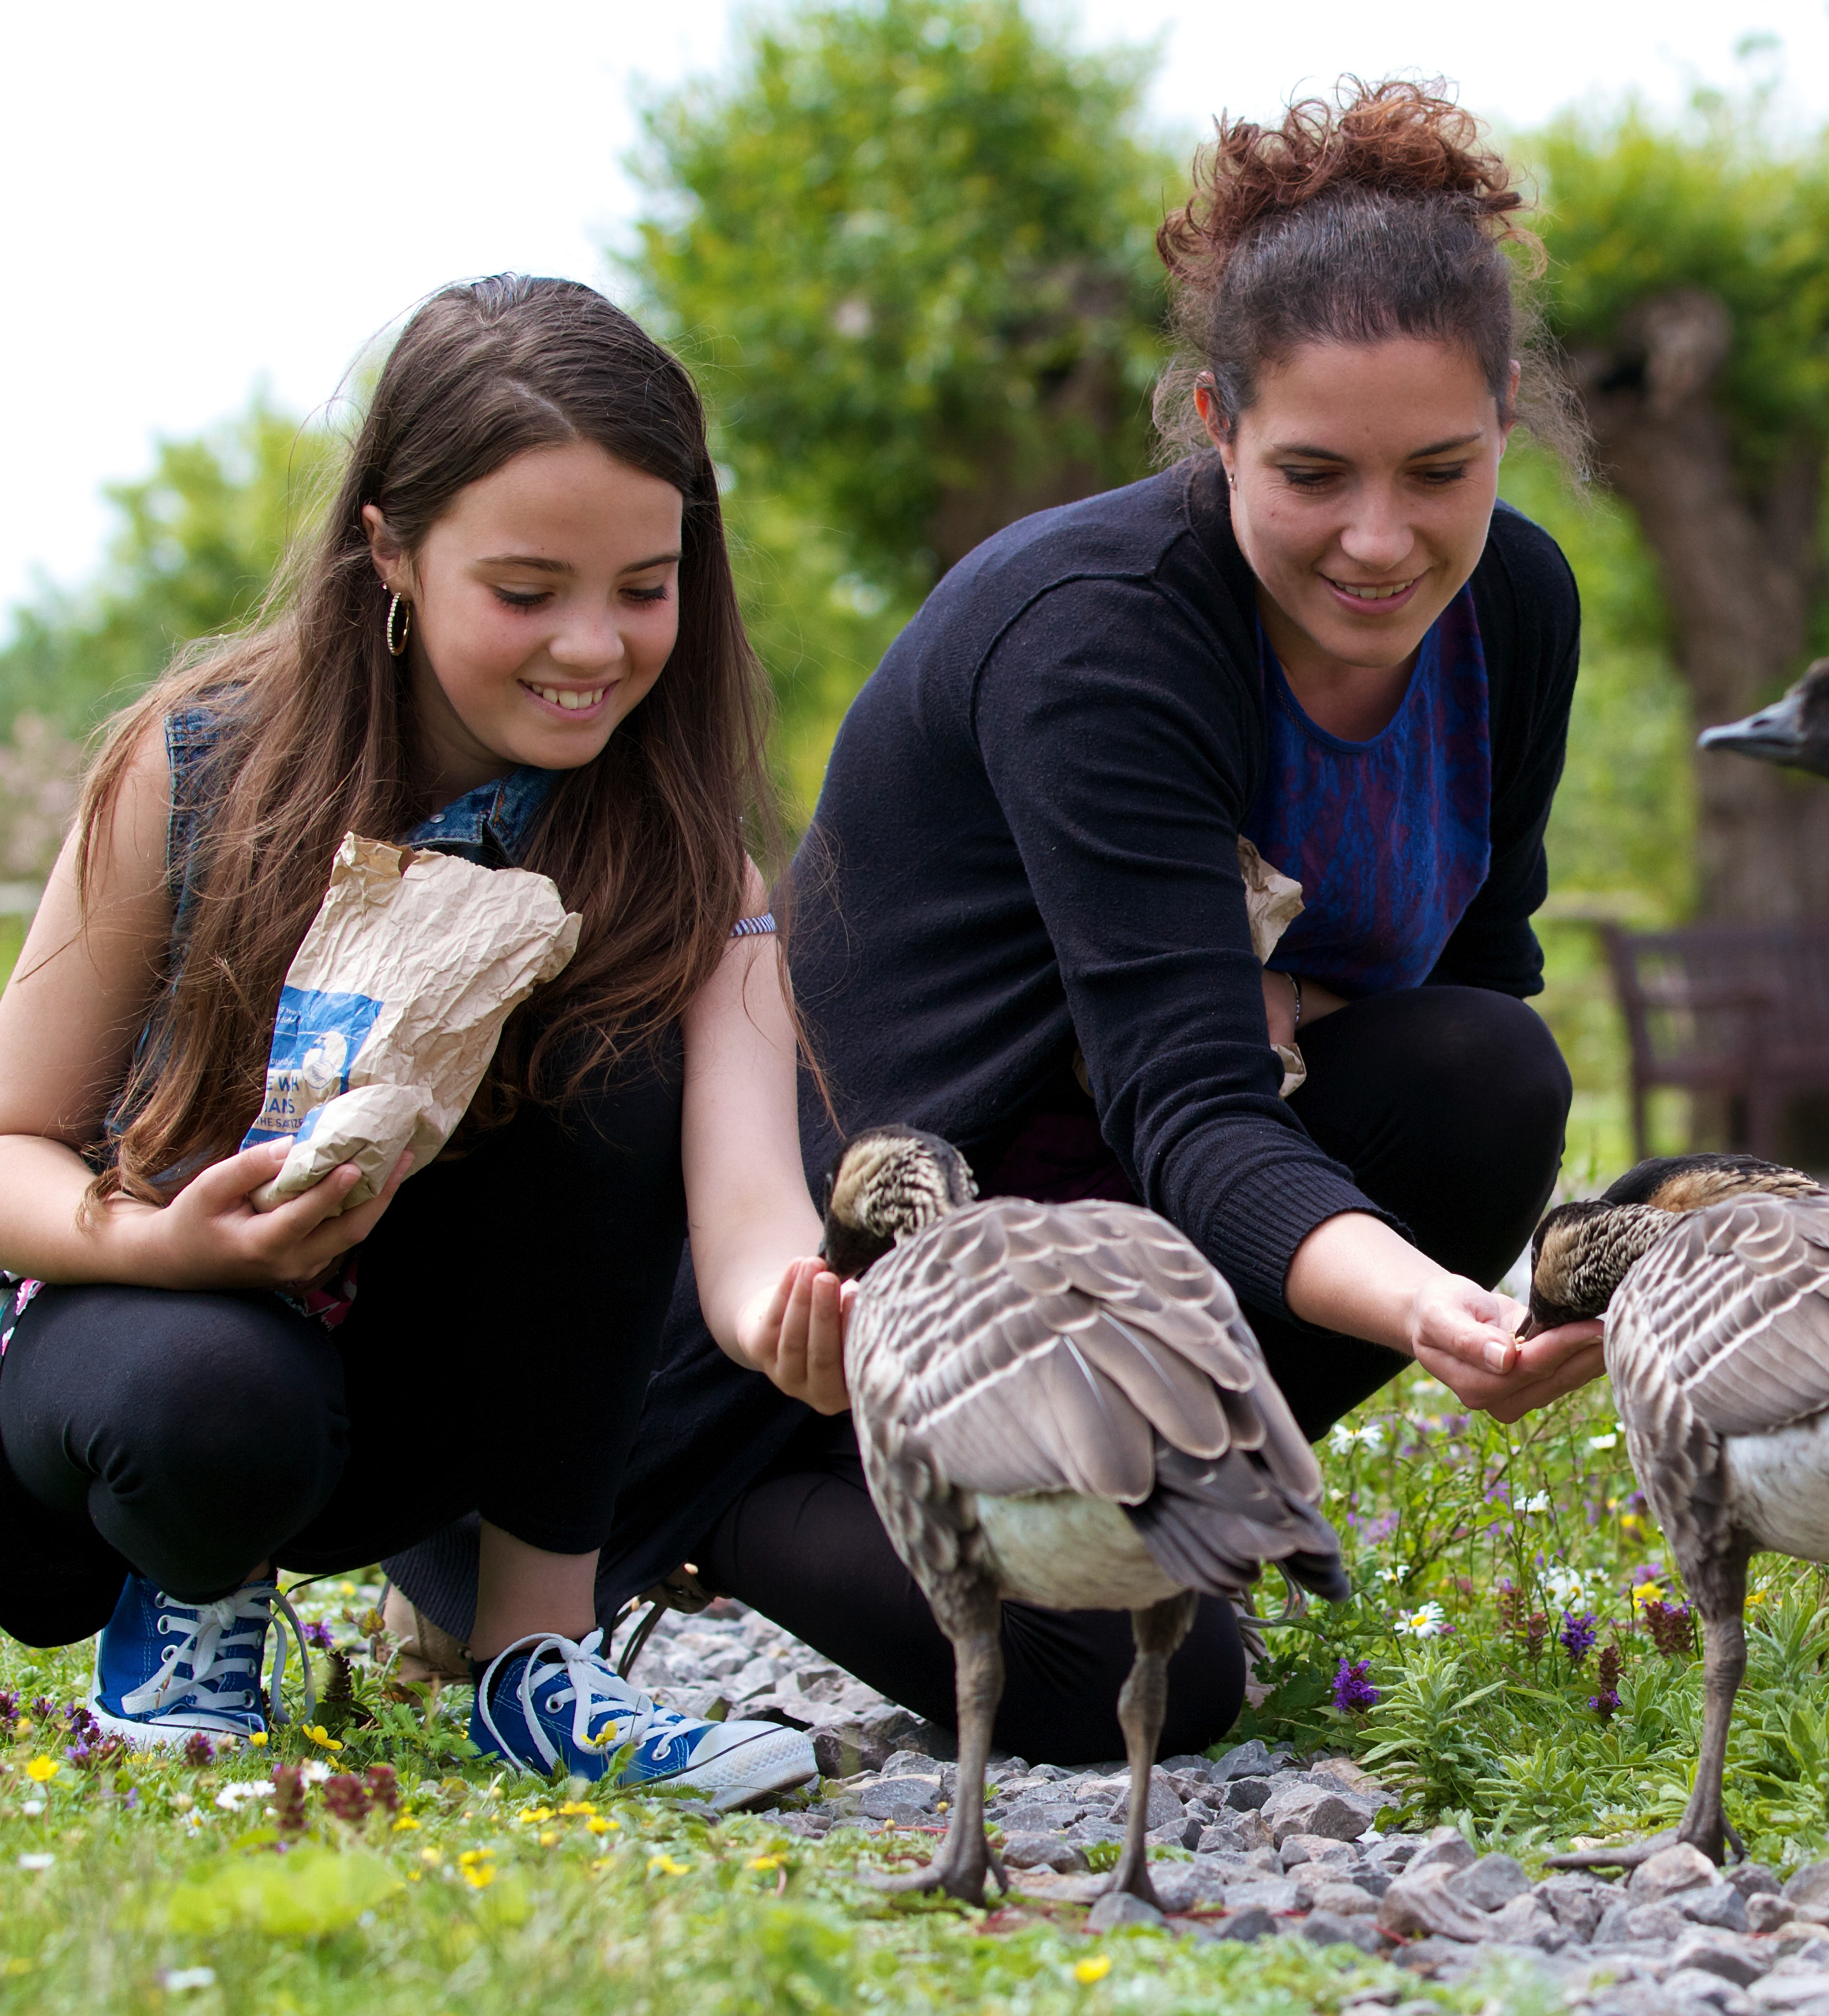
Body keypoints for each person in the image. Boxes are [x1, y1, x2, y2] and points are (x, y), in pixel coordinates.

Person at [416, 80, 1609, 1768]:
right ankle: (684, 1505)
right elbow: (1188, 1110)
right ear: (1210, 420)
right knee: (1148, 1695)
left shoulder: (1516, 608)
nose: (1381, 536)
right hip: (853, 1286)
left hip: (1096, 1258)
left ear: (1504, 421)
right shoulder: (1097, 635)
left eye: (1442, 470)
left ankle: (1141, 1496)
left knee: (1489, 1074)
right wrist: (1426, 1305)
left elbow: (1474, 978)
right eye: (1313, 472)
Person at [0, 276, 845, 1808]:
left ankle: (533, 1656)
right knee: (211, 1403)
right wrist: (174, 1249)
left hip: (428, 1405)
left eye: (646, 587)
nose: (595, 644)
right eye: (527, 590)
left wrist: (806, 1314)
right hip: (151, 1350)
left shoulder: (687, 865)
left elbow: (746, 1206)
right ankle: (188, 1608)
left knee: (614, 1058)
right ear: (388, 548)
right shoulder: (194, 770)